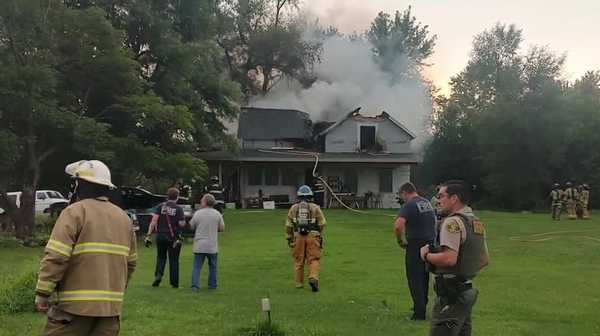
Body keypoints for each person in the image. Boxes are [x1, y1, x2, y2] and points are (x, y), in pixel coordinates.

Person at [35, 160, 137, 335]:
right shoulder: (124, 218)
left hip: (73, 310)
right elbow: (131, 263)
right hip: (110, 311)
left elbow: (57, 256)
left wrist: (43, 293)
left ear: (80, 185)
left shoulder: (74, 212)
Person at [420, 180, 490, 336]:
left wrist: (425, 254)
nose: (438, 200)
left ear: (454, 198)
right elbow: (484, 259)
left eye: (441, 196)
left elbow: (448, 259)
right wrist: (464, 272)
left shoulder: (452, 222)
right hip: (466, 291)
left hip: (450, 295)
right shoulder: (475, 221)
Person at [394, 182, 436, 321]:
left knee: (414, 278)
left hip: (415, 245)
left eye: (402, 196)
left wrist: (401, 241)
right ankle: (422, 304)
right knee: (424, 277)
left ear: (405, 193)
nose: (403, 199)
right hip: (429, 244)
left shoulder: (410, 205)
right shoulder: (426, 203)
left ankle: (419, 313)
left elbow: (398, 225)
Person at [285, 185, 327, 292]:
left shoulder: (293, 208)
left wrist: (289, 237)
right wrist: (318, 233)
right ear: (310, 196)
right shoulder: (315, 207)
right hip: (313, 236)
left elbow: (288, 225)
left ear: (299, 196)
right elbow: (322, 223)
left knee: (298, 260)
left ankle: (299, 284)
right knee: (314, 259)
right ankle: (313, 277)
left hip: (298, 237)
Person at [145, 187, 186, 288]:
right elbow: (181, 223)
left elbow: (154, 221)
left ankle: (158, 275)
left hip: (160, 236)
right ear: (177, 197)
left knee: (161, 257)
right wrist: (182, 223)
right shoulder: (178, 209)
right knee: (174, 260)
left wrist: (148, 235)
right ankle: (174, 283)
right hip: (173, 238)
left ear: (167, 196)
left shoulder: (161, 206)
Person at [190, 194, 225, 292]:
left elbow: (191, 226)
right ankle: (212, 285)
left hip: (199, 244)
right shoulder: (217, 214)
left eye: (201, 201)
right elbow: (222, 228)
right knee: (213, 266)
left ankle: (194, 286)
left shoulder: (198, 213)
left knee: (197, 267)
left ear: (205, 202)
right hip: (212, 245)